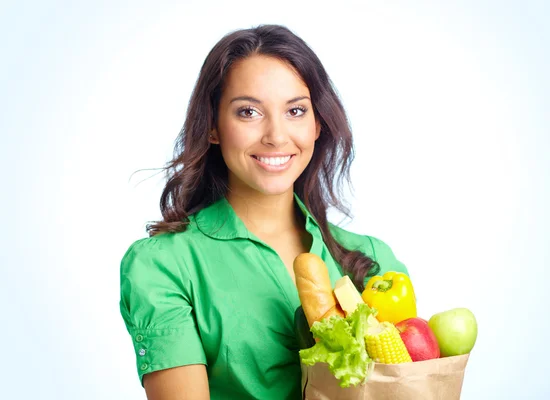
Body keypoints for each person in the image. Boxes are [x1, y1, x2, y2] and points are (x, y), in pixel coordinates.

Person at [119, 24, 410, 399]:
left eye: (295, 110)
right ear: (212, 126)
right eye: (249, 111)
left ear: (318, 123)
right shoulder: (162, 265)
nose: (275, 135)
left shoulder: (373, 262)